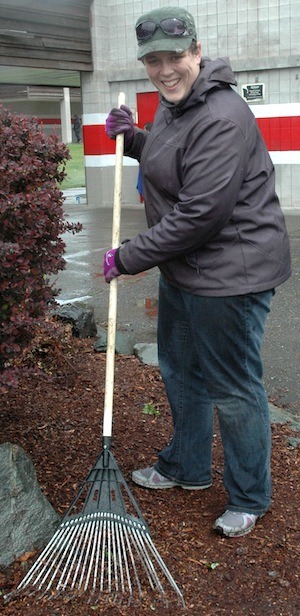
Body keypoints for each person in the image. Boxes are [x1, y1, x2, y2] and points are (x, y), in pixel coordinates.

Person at [104, 6, 291, 538]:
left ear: (198, 52)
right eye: (154, 60)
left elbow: (198, 215)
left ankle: (250, 495)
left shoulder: (222, 115)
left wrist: (128, 256)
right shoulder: (174, 106)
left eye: (176, 57)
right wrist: (136, 139)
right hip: (186, 271)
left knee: (233, 389)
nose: (165, 70)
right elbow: (171, 162)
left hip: (231, 275)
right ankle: (187, 467)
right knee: (181, 373)